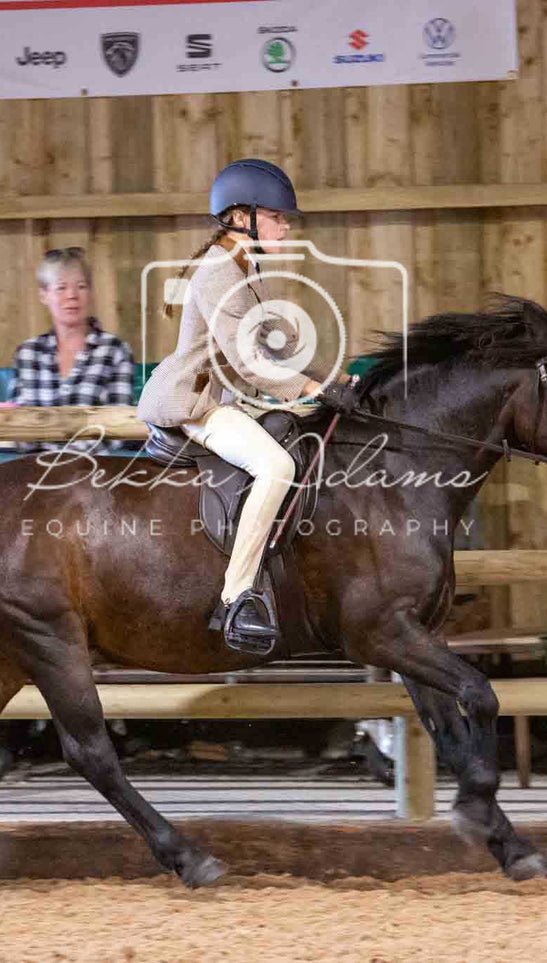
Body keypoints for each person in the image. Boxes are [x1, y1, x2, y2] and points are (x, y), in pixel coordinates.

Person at [135, 158, 359, 653]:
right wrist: (309, 391)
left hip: (228, 397)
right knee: (277, 466)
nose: (285, 224)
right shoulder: (218, 268)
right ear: (241, 217)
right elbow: (248, 360)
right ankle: (237, 595)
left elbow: (279, 343)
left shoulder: (246, 264)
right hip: (195, 403)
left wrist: (338, 376)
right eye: (277, 216)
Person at [0, 246, 136, 455]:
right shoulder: (27, 353)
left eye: (81, 286)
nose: (72, 295)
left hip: (94, 469)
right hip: (33, 470)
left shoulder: (115, 350)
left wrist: (67, 460)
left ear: (90, 292)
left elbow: (120, 428)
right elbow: (22, 428)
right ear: (44, 295)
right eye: (61, 288)